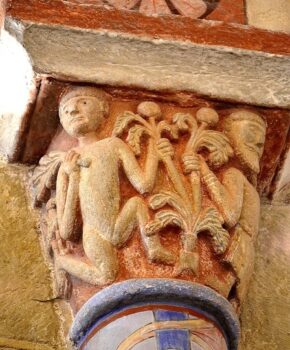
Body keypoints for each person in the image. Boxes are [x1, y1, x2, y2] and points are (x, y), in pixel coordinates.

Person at [53, 86, 174, 291]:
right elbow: (65, 230)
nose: (72, 110)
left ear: (103, 110)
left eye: (83, 102)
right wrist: (73, 177)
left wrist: (154, 154)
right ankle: (63, 262)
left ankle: (153, 248)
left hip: (119, 225)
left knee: (136, 202)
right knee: (106, 276)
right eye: (65, 110)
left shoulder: (113, 145)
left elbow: (144, 185)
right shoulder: (67, 163)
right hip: (93, 235)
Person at [182, 110, 266, 304]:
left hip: (237, 249)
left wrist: (203, 170)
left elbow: (228, 214)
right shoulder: (242, 179)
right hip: (242, 253)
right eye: (250, 134)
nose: (259, 144)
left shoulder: (234, 175)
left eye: (261, 139)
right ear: (229, 137)